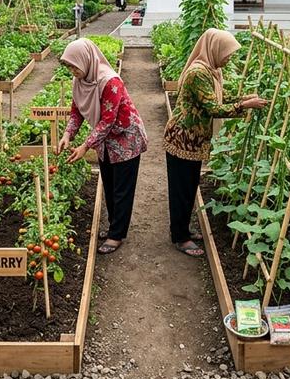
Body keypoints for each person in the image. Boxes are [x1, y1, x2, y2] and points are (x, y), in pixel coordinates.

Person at [163, 29, 268, 257]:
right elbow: (213, 108)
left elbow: (218, 98)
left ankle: (183, 230)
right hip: (183, 140)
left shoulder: (211, 71)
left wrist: (244, 99)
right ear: (215, 49)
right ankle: (180, 237)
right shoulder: (198, 73)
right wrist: (244, 106)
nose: (229, 58)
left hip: (193, 140)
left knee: (189, 187)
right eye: (227, 53)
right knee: (181, 190)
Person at [57, 39, 147, 254]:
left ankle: (116, 235)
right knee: (109, 184)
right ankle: (114, 226)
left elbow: (108, 120)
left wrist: (85, 146)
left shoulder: (110, 81)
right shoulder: (80, 81)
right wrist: (67, 134)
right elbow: (76, 112)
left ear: (86, 60)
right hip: (105, 140)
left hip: (126, 138)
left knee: (122, 189)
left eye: (74, 66)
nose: (72, 71)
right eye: (69, 67)